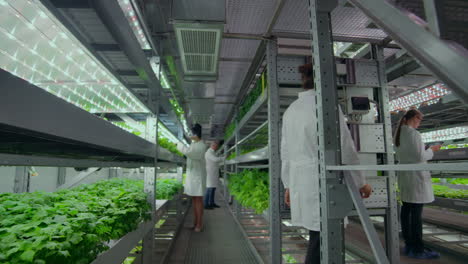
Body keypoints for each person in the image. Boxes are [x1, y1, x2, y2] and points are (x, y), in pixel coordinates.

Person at [281, 63, 372, 264]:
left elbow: (285, 153)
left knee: (317, 236)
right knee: (322, 240)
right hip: (320, 181)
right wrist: (361, 182)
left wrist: (288, 185)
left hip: (301, 182)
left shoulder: (291, 110)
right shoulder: (327, 105)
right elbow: (345, 147)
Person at [394, 109, 441, 259]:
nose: (419, 124)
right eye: (419, 120)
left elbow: (410, 154)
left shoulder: (399, 133)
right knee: (416, 215)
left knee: (406, 209)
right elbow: (420, 156)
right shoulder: (414, 134)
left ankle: (409, 244)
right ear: (414, 118)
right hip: (416, 178)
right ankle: (418, 248)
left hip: (406, 177)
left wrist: (423, 150)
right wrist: (431, 150)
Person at [177, 124, 207, 232]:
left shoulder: (201, 146)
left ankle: (199, 224)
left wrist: (179, 145)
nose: (190, 135)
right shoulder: (195, 144)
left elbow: (190, 153)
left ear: (195, 134)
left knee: (198, 200)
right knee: (195, 200)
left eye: (191, 133)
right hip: (194, 176)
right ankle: (196, 223)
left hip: (197, 178)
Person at [204, 140, 225, 209]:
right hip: (210, 173)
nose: (217, 147)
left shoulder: (212, 152)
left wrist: (221, 158)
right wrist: (223, 158)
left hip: (213, 173)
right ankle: (206, 204)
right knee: (209, 189)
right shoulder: (209, 153)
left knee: (212, 189)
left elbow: (215, 160)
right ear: (213, 146)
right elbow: (215, 160)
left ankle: (212, 203)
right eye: (216, 146)